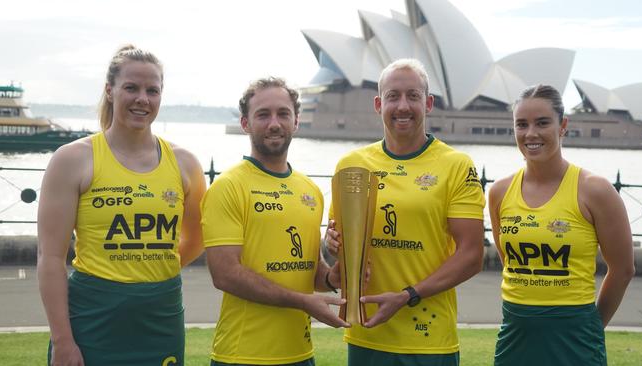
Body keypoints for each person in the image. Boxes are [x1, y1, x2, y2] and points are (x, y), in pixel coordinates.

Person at [37, 44, 205, 366]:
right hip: (92, 320)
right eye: (131, 87)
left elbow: (197, 238)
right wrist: (62, 342)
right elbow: (51, 257)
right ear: (110, 91)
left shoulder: (185, 163)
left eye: (152, 90)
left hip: (162, 316)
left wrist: (149, 271)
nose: (142, 98)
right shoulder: (72, 159)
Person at [326, 58, 485, 366]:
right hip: (367, 334)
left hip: (428, 340)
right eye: (392, 96)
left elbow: (471, 255)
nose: (402, 106)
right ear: (378, 103)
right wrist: (334, 245)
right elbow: (339, 244)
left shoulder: (456, 165)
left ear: (428, 103)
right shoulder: (351, 165)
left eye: (413, 96)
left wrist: (407, 295)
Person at [201, 77, 349, 366]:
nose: (274, 123)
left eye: (283, 113)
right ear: (245, 123)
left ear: (296, 121)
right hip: (242, 356)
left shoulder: (311, 191)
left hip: (301, 354)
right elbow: (225, 274)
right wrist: (303, 302)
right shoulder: (228, 186)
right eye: (263, 114)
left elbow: (310, 268)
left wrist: (333, 278)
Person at [488, 84, 636, 365]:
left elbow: (623, 269)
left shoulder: (595, 190)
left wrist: (591, 325)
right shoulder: (499, 191)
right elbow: (510, 261)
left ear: (563, 125)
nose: (531, 133)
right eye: (522, 124)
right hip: (515, 337)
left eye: (542, 123)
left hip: (576, 339)